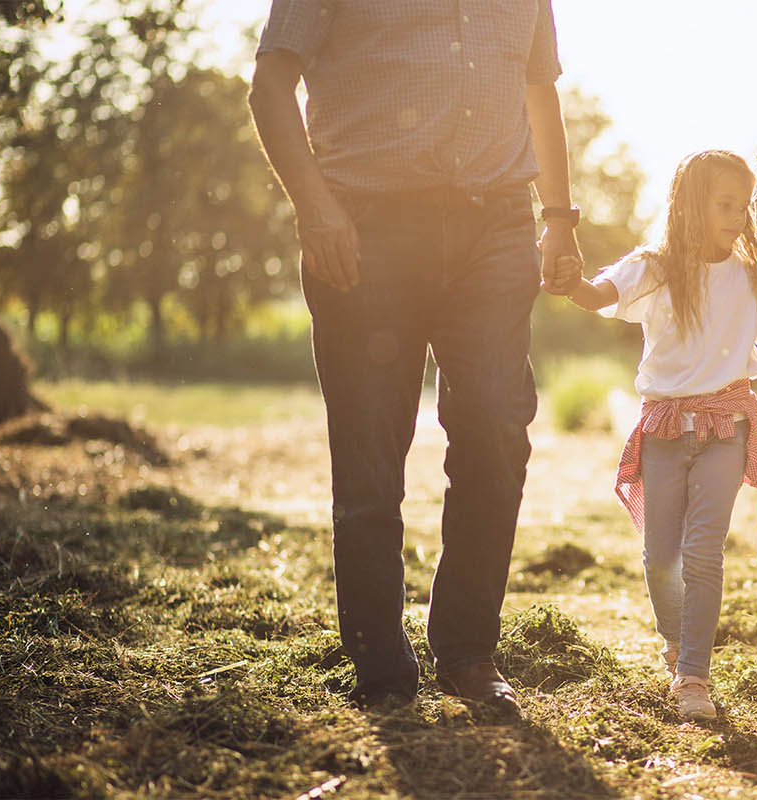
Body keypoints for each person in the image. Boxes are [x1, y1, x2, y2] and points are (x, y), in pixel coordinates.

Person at [248, 0, 584, 714]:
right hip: (367, 227)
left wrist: (559, 217)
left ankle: (467, 649)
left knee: (496, 431)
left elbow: (539, 87)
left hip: (497, 223)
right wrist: (314, 208)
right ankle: (380, 663)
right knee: (371, 451)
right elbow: (271, 85)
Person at [556, 149, 757, 721]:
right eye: (724, 203)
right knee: (660, 556)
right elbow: (595, 295)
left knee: (703, 552)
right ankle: (679, 644)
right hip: (663, 428)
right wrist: (565, 276)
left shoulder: (753, 278)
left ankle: (694, 676)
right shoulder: (653, 267)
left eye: (744, 204)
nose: (737, 215)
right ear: (688, 204)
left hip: (727, 428)